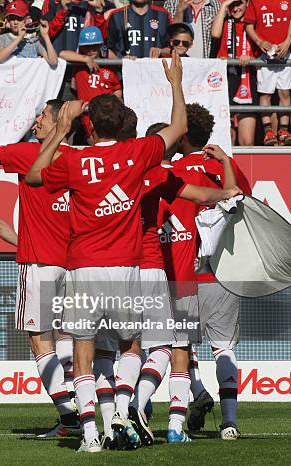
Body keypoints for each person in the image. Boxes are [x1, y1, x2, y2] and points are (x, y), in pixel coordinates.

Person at [25, 51, 187, 453]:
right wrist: (176, 81)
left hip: (83, 268)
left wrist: (59, 131)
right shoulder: (139, 153)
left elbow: (32, 176)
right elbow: (180, 126)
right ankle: (121, 409)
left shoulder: (76, 162)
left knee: (83, 352)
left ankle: (91, 435)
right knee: (130, 344)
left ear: (89, 126)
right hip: (127, 269)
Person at [0, 101, 80, 439]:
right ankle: (76, 410)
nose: (37, 119)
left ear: (60, 120)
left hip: (40, 259)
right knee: (66, 338)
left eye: (43, 114)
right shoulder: (78, 159)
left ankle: (69, 414)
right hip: (73, 264)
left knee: (40, 340)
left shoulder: (30, 153)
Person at [127, 122, 242, 447]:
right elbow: (226, 203)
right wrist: (226, 170)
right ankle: (177, 424)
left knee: (134, 350)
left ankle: (133, 408)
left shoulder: (131, 178)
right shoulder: (178, 180)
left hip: (134, 275)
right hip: (184, 279)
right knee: (178, 352)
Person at [169, 103, 251, 441]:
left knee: (180, 349)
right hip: (222, 276)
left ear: (182, 133)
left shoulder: (172, 170)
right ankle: (229, 421)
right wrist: (224, 163)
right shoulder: (224, 167)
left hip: (185, 275)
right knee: (224, 350)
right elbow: (239, 198)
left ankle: (197, 393)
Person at [59, 26, 122, 142]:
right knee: (94, 143)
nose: (91, 49)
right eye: (87, 46)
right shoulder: (78, 58)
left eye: (95, 46)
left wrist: (113, 101)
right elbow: (62, 54)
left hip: (108, 113)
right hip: (88, 114)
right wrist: (86, 59)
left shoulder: (107, 55)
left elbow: (117, 87)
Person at [245, 0, 291, 146]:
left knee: (284, 92)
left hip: (285, 52)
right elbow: (249, 26)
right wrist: (260, 42)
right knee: (265, 94)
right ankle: (268, 131)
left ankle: (284, 130)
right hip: (265, 54)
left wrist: (288, 42)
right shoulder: (255, 1)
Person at [211, 0, 257, 146]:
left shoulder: (254, 23)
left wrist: (251, 57)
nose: (236, 8)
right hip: (227, 81)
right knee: (227, 140)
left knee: (246, 141)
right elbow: (215, 34)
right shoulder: (225, 22)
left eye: (240, 4)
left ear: (248, 3)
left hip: (249, 80)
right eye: (232, 5)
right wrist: (224, 6)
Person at [0, 1, 58, 65]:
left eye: (19, 18)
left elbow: (53, 62)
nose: (15, 22)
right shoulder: (2, 38)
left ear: (27, 19)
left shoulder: (34, 40)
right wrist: (19, 38)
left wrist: (45, 35)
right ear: (8, 21)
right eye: (12, 18)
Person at [106, 0, 171, 58]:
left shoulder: (163, 15)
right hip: (125, 70)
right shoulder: (116, 16)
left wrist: (161, 51)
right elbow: (108, 50)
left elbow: (173, 48)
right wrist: (122, 61)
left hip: (155, 69)